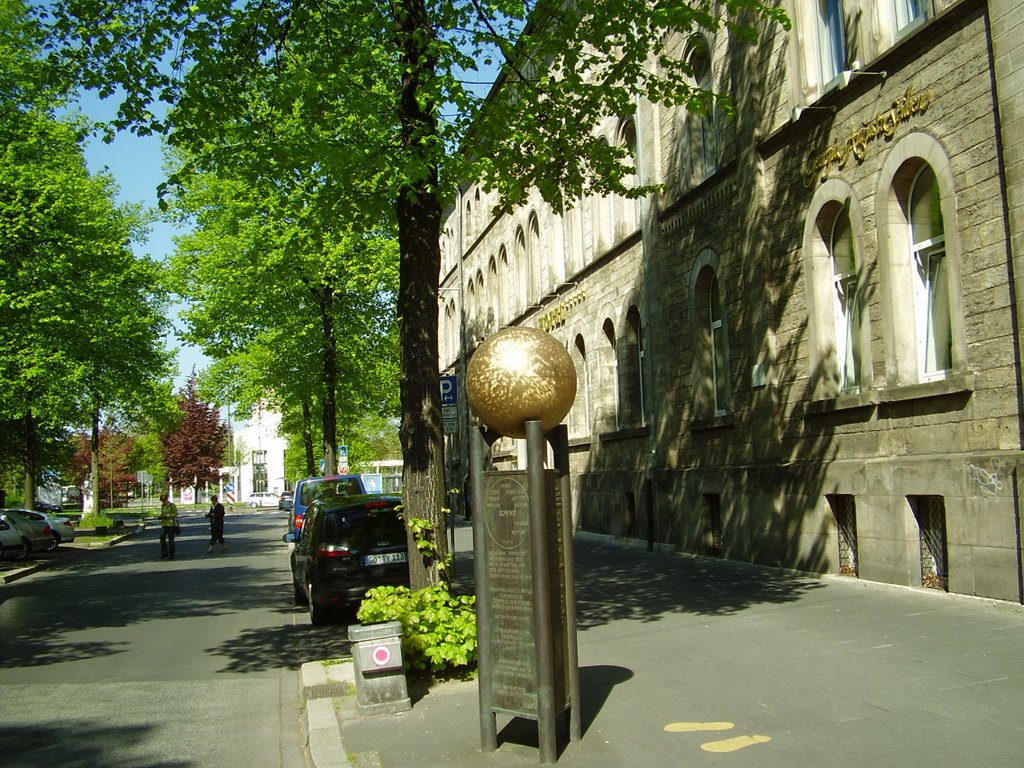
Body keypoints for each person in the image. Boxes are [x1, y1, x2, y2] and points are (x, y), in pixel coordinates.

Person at [158, 493, 179, 560]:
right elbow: (162, 513)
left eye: (163, 500)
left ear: (166, 499)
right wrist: (160, 516)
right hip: (164, 524)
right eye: (162, 501)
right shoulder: (163, 506)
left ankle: (171, 555)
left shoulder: (171, 505)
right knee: (162, 538)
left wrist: (168, 516)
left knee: (171, 540)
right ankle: (164, 554)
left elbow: (175, 513)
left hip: (171, 525)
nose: (163, 502)